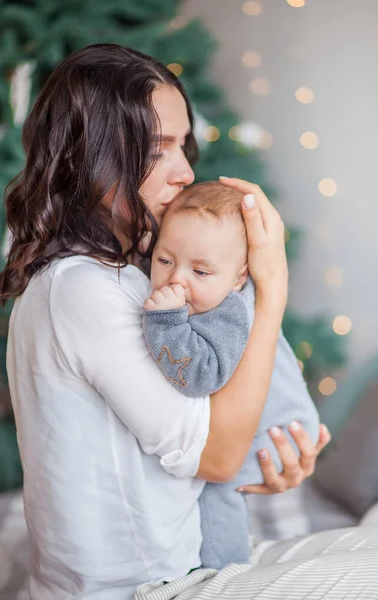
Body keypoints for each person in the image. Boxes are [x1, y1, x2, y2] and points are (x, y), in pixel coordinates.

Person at [0, 43, 377, 600]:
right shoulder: (81, 289)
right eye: (158, 150)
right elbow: (216, 457)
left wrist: (265, 453)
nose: (186, 172)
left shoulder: (130, 274)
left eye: (184, 145)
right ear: (90, 155)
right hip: (141, 589)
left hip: (186, 562)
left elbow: (216, 437)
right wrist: (269, 290)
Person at [141, 180, 320, 569]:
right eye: (164, 260)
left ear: (239, 278)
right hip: (271, 433)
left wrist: (165, 322)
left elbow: (201, 375)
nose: (177, 280)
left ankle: (224, 575)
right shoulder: (211, 291)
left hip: (272, 437)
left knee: (214, 495)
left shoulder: (231, 312)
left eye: (201, 271)